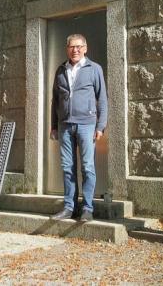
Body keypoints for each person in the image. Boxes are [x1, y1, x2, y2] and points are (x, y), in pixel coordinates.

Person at [49, 34, 108, 222]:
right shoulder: (60, 70)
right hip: (65, 125)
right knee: (67, 167)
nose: (75, 50)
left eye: (78, 46)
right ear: (67, 49)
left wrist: (101, 126)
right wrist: (53, 125)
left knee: (88, 167)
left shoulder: (94, 69)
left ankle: (87, 208)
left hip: (87, 124)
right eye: (71, 47)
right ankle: (69, 207)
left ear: (85, 48)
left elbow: (102, 99)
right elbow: (55, 101)